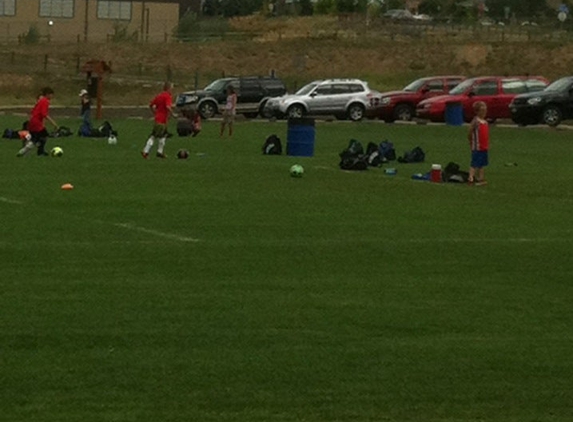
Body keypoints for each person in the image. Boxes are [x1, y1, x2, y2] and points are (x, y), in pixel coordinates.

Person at [17, 87, 58, 157]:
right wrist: (53, 123)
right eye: (51, 95)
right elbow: (44, 114)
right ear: (47, 94)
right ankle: (39, 152)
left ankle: (24, 151)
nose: (52, 96)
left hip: (32, 121)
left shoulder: (40, 100)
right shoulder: (45, 101)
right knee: (43, 136)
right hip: (37, 122)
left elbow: (34, 111)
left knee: (35, 138)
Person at [141, 81, 177, 159]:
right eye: (172, 88)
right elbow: (168, 107)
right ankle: (145, 151)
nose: (172, 90)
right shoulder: (167, 96)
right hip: (161, 120)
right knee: (154, 136)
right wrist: (173, 114)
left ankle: (159, 152)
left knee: (163, 135)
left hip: (159, 118)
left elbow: (151, 105)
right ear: (168, 88)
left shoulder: (159, 96)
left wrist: (155, 113)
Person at [467, 101, 489, 186]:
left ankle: (481, 178)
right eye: (482, 111)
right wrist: (471, 141)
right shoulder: (476, 121)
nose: (484, 113)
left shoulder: (485, 122)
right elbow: (470, 132)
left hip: (484, 147)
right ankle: (471, 178)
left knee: (482, 164)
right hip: (477, 147)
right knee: (475, 163)